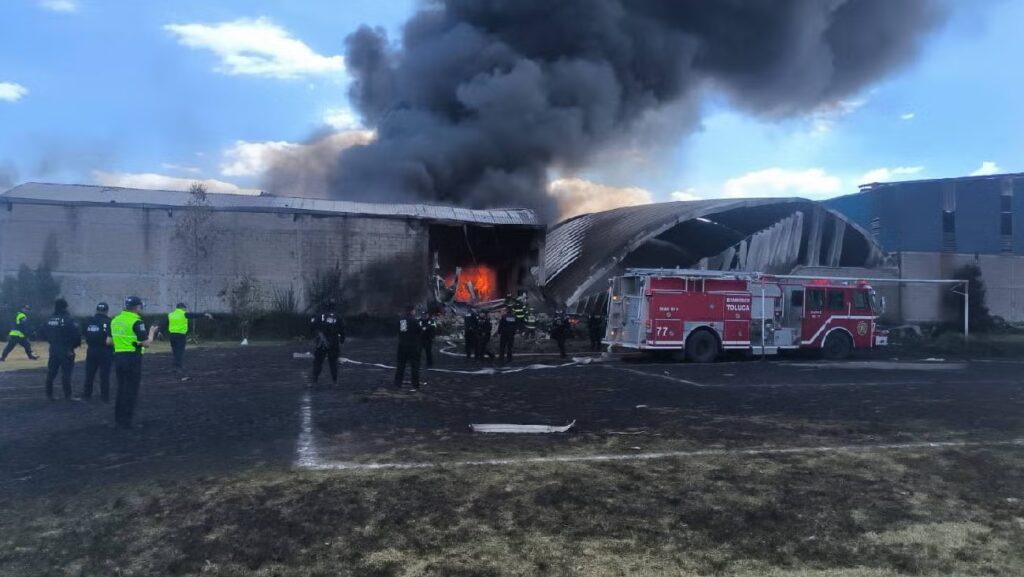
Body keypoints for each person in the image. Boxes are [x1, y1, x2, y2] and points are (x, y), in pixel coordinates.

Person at [110, 296, 158, 430]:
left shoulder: (115, 320)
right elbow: (146, 343)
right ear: (137, 307)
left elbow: (109, 341)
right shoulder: (137, 322)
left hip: (118, 357)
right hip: (132, 358)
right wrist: (152, 332)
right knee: (131, 390)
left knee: (121, 389)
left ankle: (118, 420)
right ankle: (127, 422)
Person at [43, 298, 81, 400]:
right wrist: (72, 347)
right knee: (66, 373)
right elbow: (76, 335)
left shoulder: (49, 319)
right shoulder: (68, 319)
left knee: (51, 372)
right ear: (65, 307)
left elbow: (42, 333)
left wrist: (52, 342)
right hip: (66, 349)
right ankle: (68, 395)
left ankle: (49, 394)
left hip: (53, 348)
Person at [82, 302, 114, 402]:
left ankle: (87, 395)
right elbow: (110, 340)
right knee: (104, 375)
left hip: (91, 350)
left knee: (89, 374)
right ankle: (105, 397)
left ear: (96, 310)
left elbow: (84, 333)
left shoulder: (89, 321)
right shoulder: (109, 321)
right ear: (107, 311)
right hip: (105, 351)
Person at [310, 298, 345, 387]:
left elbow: (312, 326)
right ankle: (334, 381)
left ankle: (315, 380)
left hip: (321, 342)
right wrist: (342, 339)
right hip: (333, 342)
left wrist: (317, 336)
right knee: (333, 362)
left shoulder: (318, 315)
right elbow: (342, 329)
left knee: (318, 361)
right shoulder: (337, 316)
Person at [166, 303, 213, 369]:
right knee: (180, 350)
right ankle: (177, 366)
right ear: (182, 308)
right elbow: (194, 315)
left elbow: (165, 323)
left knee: (175, 350)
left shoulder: (170, 315)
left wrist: (159, 331)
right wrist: (204, 314)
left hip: (172, 335)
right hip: (180, 335)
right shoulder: (183, 314)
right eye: (185, 308)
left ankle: (175, 364)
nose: (185, 310)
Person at [394, 304, 422, 389]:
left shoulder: (402, 320)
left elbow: (401, 331)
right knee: (414, 366)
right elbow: (419, 332)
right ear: (412, 310)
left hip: (402, 345)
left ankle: (398, 383)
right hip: (413, 346)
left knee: (401, 365)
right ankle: (415, 384)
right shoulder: (415, 321)